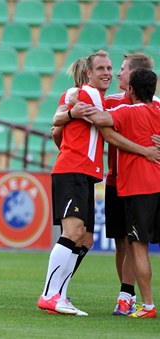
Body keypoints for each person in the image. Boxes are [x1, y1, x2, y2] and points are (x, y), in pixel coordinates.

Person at [38, 50, 113, 316]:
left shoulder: (91, 97)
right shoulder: (86, 94)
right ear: (89, 74)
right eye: (101, 68)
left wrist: (68, 115)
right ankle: (50, 295)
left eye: (110, 68)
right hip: (72, 170)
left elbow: (58, 128)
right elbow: (56, 122)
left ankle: (61, 295)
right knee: (72, 233)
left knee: (86, 239)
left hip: (85, 173)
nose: (107, 73)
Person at [83, 68, 160, 318]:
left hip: (139, 188)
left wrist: (75, 102)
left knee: (137, 247)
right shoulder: (159, 110)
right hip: (157, 186)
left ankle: (147, 306)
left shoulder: (126, 111)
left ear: (131, 90)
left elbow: (98, 118)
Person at [103, 53, 160, 315]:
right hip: (118, 181)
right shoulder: (113, 101)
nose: (117, 73)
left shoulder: (124, 108)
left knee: (134, 242)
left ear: (133, 78)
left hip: (135, 184)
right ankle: (126, 294)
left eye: (122, 69)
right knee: (122, 242)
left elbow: (98, 121)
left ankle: (139, 301)